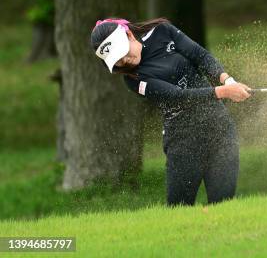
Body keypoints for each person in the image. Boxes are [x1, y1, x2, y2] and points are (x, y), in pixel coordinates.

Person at [90, 17, 251, 206]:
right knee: (179, 209)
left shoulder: (162, 32)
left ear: (129, 35)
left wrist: (227, 80)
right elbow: (177, 96)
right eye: (117, 61)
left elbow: (199, 55)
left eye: (123, 52)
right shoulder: (133, 80)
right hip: (183, 141)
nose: (125, 61)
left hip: (220, 129)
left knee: (223, 205)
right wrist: (224, 92)